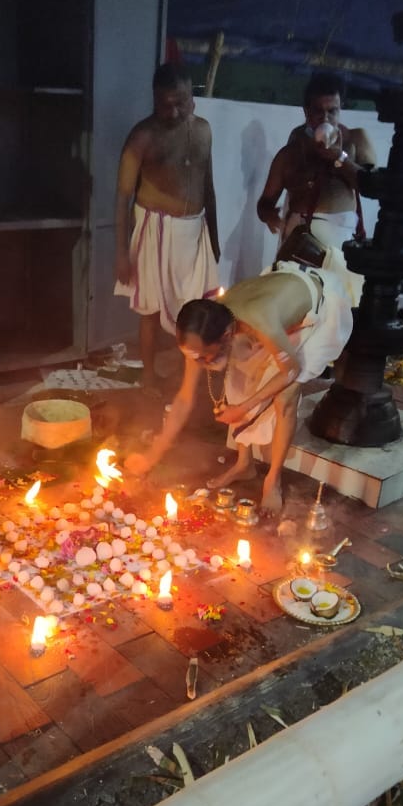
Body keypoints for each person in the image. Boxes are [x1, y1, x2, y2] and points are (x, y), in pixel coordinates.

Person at [124, 251, 354, 512]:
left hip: (315, 310)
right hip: (276, 300)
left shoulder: (259, 320)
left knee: (285, 395)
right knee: (238, 378)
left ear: (225, 336)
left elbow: (290, 370)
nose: (199, 363)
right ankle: (245, 465)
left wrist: (244, 408)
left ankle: (273, 481)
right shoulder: (201, 330)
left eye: (204, 357)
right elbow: (184, 398)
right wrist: (151, 456)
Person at [114, 62, 220, 391]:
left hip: (194, 229)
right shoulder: (143, 136)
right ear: (154, 101)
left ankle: (187, 378)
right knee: (149, 308)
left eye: (182, 102)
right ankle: (148, 375)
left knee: (197, 307)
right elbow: (122, 197)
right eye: (166, 104)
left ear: (193, 98)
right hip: (155, 229)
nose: (174, 112)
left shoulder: (203, 130)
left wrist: (214, 237)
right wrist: (120, 253)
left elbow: (208, 185)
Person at [256, 73, 377, 255]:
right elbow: (264, 203)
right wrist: (270, 216)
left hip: (342, 243)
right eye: (319, 111)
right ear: (307, 112)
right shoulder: (292, 152)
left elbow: (372, 186)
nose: (325, 118)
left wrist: (340, 158)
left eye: (332, 111)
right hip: (298, 242)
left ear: (340, 109)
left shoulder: (356, 139)